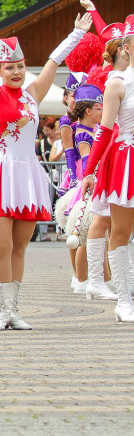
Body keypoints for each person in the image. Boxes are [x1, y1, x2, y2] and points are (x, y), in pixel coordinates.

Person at [0, 4, 92, 330]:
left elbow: (52, 61)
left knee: (20, 247)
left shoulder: (33, 94)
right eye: (10, 68)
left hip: (27, 173)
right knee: (1, 246)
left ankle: (14, 310)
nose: (17, 72)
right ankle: (0, 310)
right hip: (1, 171)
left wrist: (77, 33)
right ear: (1, 70)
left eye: (20, 66)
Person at [80, 16, 134, 323]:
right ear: (125, 47)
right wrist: (89, 170)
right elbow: (104, 130)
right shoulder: (117, 83)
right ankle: (123, 300)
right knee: (122, 231)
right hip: (127, 160)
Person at [66, 82, 104, 293]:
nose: (101, 111)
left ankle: (89, 280)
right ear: (88, 111)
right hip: (89, 180)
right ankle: (81, 280)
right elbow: (87, 158)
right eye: (98, 108)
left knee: (92, 235)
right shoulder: (82, 133)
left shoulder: (92, 129)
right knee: (84, 235)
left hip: (93, 178)